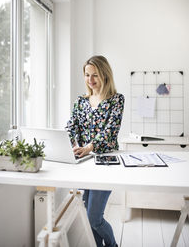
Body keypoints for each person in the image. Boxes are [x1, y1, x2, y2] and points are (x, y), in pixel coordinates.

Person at [66, 55, 124, 247]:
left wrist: (89, 146)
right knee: (87, 216)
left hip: (106, 162)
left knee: (93, 218)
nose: (90, 80)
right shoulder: (81, 101)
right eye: (87, 75)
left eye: (95, 75)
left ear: (105, 76)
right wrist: (65, 143)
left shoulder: (116, 100)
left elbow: (110, 132)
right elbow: (71, 127)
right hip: (85, 163)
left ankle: (113, 245)